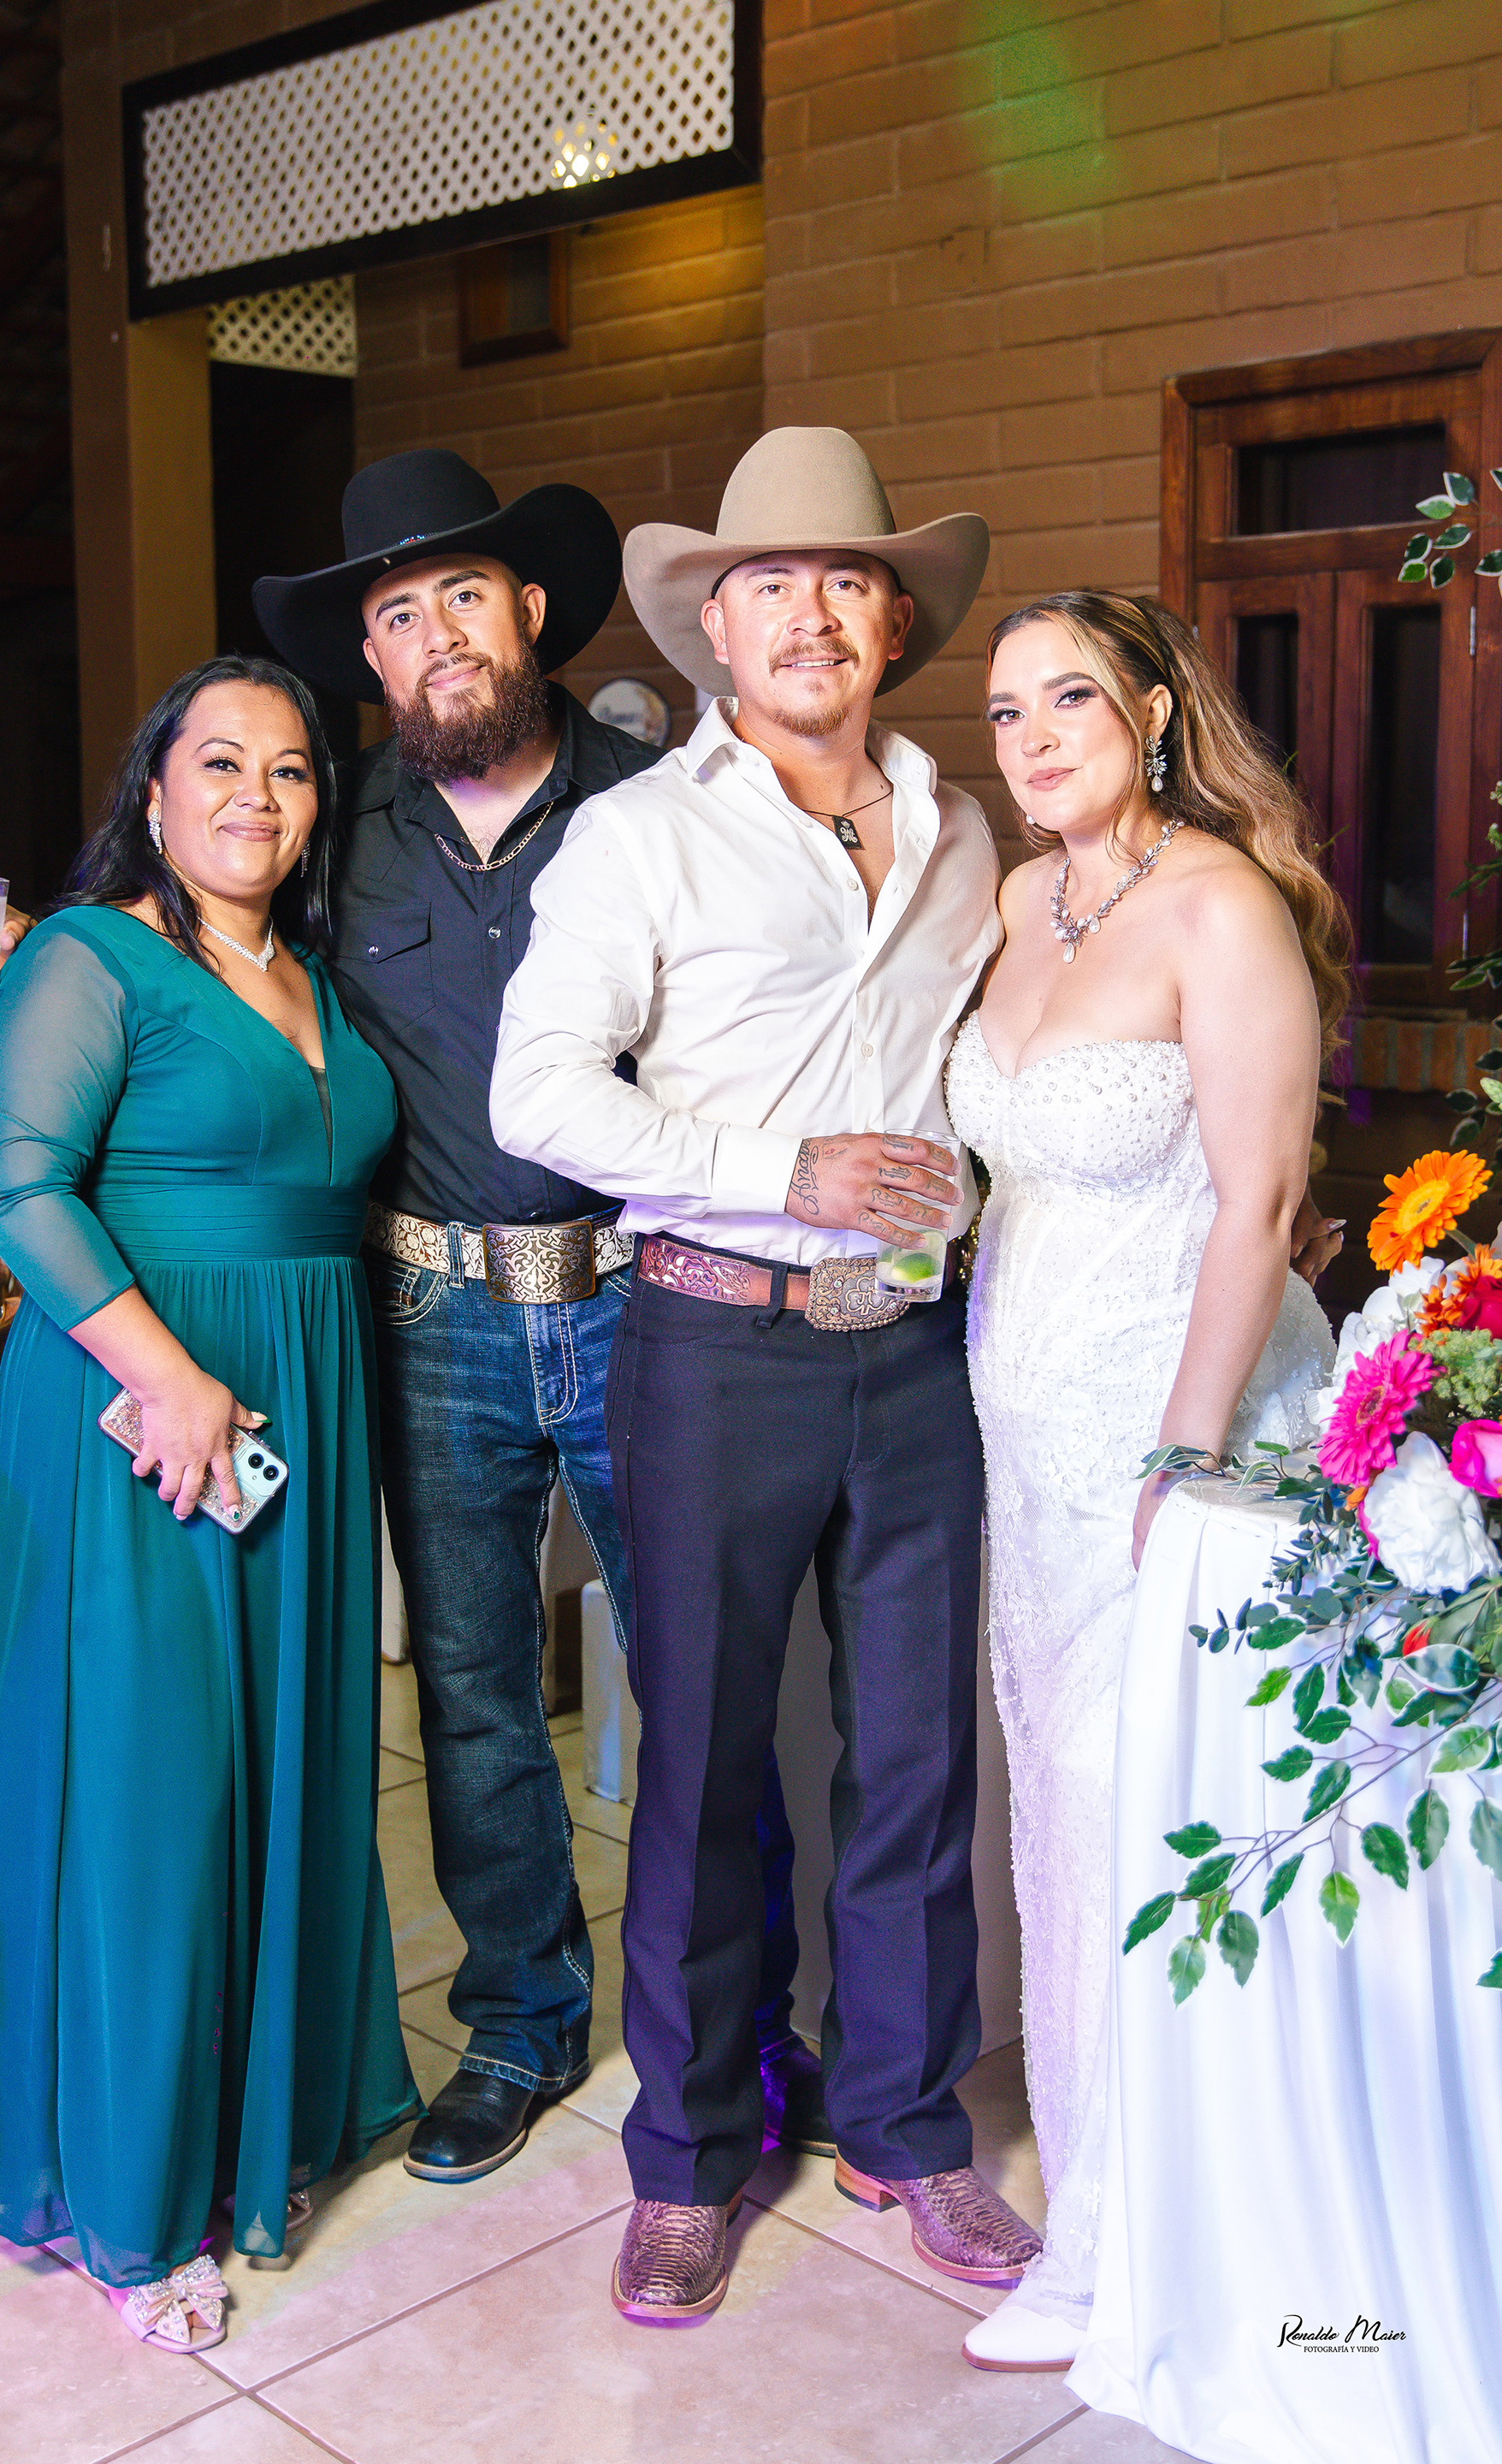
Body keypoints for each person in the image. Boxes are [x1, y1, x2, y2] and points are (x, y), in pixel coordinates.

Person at [491, 425, 1045, 2323]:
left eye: (847, 580)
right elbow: (538, 1093)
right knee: (708, 1767)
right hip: (714, 1345)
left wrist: (978, 1182)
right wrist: (775, 1170)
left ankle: (906, 2125)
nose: (812, 614)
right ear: (716, 627)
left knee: (915, 1762)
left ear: (894, 621)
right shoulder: (638, 836)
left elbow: (981, 1073)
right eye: (772, 584)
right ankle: (689, 2158)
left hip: (918, 1353)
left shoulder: (963, 831)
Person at [251, 449, 828, 2181]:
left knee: (705, 1683)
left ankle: (740, 2029)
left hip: (651, 1302)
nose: (436, 636)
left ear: (529, 609)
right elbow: (191, 946)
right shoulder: (333, 836)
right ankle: (519, 2020)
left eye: (463, 596)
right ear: (372, 656)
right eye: (397, 613)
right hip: (431, 1316)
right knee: (478, 1694)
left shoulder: (667, 805)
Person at [0, 655, 420, 2349]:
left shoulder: (308, 972)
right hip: (140, 1403)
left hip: (303, 1391)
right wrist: (168, 1379)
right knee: (152, 1790)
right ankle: (138, 2205)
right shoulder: (89, 956)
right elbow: (19, 1187)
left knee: (279, 1763)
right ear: (152, 791)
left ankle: (262, 2119)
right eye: (218, 762)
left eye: (289, 771)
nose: (255, 796)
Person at [942, 591, 1346, 2372]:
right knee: (1059, 1812)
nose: (1033, 740)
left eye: (1072, 702)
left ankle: (1129, 2249)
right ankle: (1100, 2190)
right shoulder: (1020, 902)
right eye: (1006, 711)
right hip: (1022, 1438)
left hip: (1173, 1433)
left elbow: (1262, 1204)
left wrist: (1185, 1457)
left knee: (1139, 1816)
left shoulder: (1220, 906)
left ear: (1157, 712)